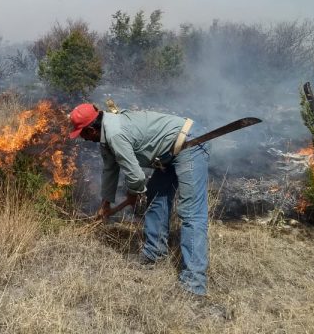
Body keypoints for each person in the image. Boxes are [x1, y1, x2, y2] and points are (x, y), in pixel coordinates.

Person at [69, 102, 209, 296]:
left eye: (82, 134)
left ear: (91, 129)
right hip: (167, 153)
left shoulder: (115, 133)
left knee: (191, 213)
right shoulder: (105, 135)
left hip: (190, 143)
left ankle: (194, 284)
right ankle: (155, 254)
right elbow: (110, 169)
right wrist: (106, 203)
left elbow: (136, 177)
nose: (83, 139)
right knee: (156, 198)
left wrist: (134, 193)